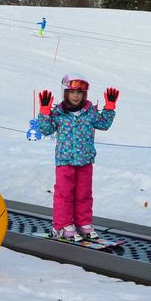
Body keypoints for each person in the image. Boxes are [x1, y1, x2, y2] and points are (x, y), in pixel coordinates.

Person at [36, 72, 117, 239]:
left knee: (84, 194)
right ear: (66, 92)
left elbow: (103, 124)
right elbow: (46, 129)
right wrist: (45, 112)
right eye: (73, 92)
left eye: (80, 93)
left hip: (85, 160)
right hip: (65, 161)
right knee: (64, 194)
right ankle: (62, 225)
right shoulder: (58, 113)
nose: (76, 96)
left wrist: (109, 107)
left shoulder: (90, 112)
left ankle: (83, 222)